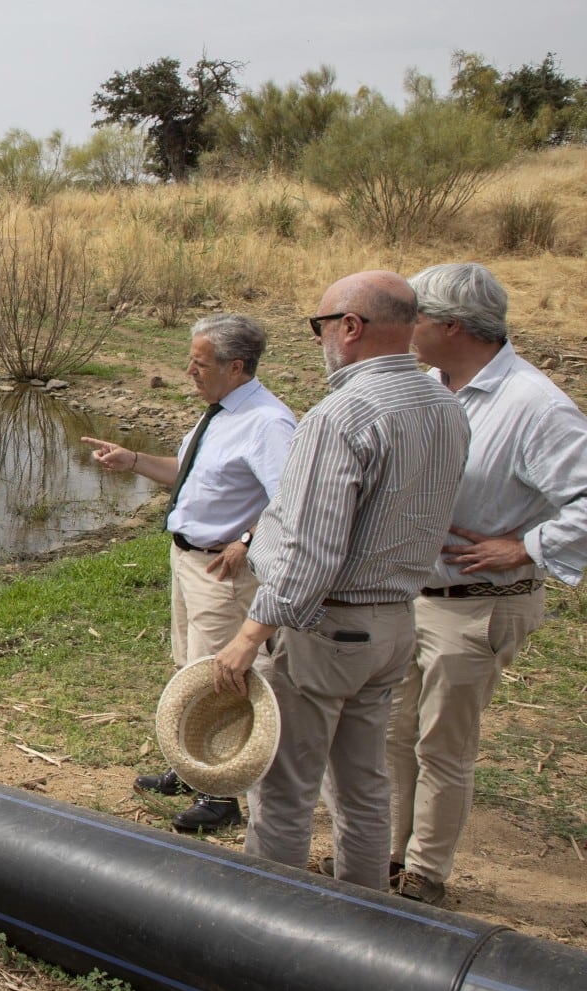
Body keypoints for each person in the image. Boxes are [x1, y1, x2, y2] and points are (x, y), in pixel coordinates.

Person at [213, 271, 467, 890]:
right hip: (393, 623)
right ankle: (366, 913)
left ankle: (270, 924)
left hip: (325, 626)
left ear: (349, 328)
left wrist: (250, 636)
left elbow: (309, 549)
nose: (320, 339)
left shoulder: (342, 414)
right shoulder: (445, 405)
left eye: (320, 325)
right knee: (362, 783)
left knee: (285, 789)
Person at [386, 263, 587, 906]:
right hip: (416, 595)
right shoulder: (430, 385)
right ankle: (383, 855)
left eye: (412, 315)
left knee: (443, 743)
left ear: (450, 325)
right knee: (393, 732)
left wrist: (525, 547)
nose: (403, 326)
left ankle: (424, 875)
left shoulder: (535, 406)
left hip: (477, 604)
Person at [82, 314, 295, 832]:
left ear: (236, 367)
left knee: (223, 677)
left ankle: (222, 794)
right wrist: (132, 459)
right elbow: (188, 474)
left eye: (199, 364)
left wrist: (247, 541)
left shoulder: (269, 423)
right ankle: (194, 766)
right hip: (189, 560)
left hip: (222, 573)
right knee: (191, 668)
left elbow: (293, 502)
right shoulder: (218, 413)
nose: (188, 372)